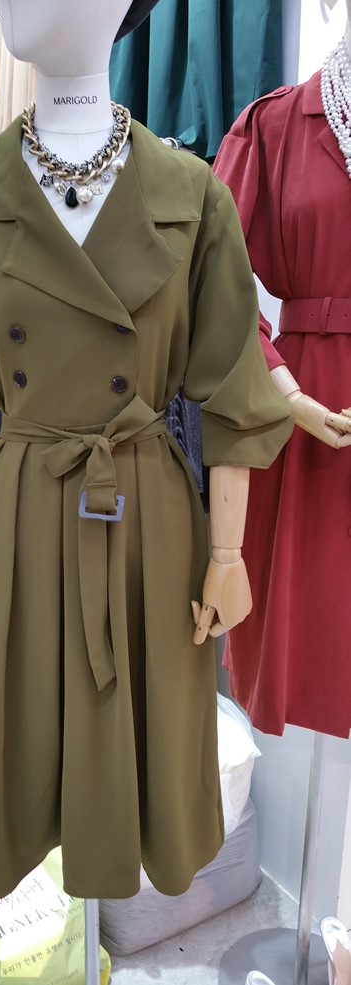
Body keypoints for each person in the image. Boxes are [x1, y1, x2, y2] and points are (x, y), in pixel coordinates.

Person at [0, 0, 292, 901]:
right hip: (21, 510)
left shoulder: (192, 193)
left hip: (150, 521)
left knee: (135, 749)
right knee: (4, 718)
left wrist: (228, 553)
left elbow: (233, 392)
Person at [213, 0, 351, 739]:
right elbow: (213, 284)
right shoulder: (272, 127)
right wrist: (284, 389)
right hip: (309, 411)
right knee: (317, 643)